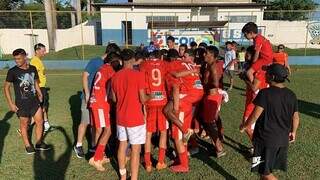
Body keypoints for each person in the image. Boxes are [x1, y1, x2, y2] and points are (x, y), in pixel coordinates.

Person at [240, 64, 300, 180]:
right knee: (264, 171)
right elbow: (296, 117)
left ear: (272, 77)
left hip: (266, 140)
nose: (264, 75)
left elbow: (255, 115)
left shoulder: (265, 93)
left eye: (266, 73)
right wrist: (294, 132)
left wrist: (244, 126)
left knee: (265, 173)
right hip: (282, 140)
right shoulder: (291, 94)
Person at [73, 43, 120, 158]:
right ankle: (78, 145)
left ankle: (95, 147)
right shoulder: (96, 61)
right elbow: (84, 76)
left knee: (96, 125)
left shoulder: (107, 66)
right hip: (90, 97)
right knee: (85, 121)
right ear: (110, 54)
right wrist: (87, 94)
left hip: (98, 97)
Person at [111, 49, 151, 180]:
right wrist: (150, 96)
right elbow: (143, 99)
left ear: (122, 60)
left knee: (122, 145)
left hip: (121, 117)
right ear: (133, 60)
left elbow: (114, 99)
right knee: (135, 150)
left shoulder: (115, 76)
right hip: (135, 118)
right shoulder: (138, 75)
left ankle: (123, 176)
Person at [164, 48, 204, 173]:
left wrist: (175, 107)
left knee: (177, 135)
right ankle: (181, 158)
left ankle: (184, 165)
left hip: (185, 97)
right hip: (194, 94)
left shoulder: (173, 65)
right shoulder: (189, 64)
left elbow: (175, 85)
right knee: (180, 136)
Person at [4, 48, 51, 154]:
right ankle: (28, 145)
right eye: (15, 59)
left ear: (25, 57)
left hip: (34, 101)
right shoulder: (12, 71)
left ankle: (39, 143)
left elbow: (35, 82)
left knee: (40, 121)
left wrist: (39, 93)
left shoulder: (33, 68)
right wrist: (11, 103)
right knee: (24, 124)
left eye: (19, 59)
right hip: (22, 103)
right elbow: (6, 88)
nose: (17, 61)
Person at [140, 50, 168, 172]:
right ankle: (160, 161)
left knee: (148, 133)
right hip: (162, 100)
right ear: (160, 56)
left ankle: (148, 163)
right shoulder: (164, 64)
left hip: (149, 101)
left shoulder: (144, 64)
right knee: (163, 132)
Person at [88, 57, 115, 171]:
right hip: (100, 104)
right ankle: (96, 158)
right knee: (107, 130)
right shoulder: (110, 70)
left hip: (96, 102)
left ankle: (99, 155)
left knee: (101, 130)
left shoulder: (102, 68)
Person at [239, 46, 269, 144]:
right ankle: (258, 146)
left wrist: (244, 78)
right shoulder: (252, 67)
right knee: (251, 126)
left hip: (255, 101)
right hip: (252, 99)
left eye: (248, 54)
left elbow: (254, 88)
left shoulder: (259, 69)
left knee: (246, 126)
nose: (246, 56)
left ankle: (258, 147)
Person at [202, 46, 228, 158]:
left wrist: (207, 88)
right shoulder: (209, 65)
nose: (204, 55)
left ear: (212, 56)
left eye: (206, 53)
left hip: (212, 96)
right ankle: (217, 144)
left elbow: (216, 84)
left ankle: (219, 148)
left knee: (210, 123)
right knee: (210, 121)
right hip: (211, 96)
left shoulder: (213, 66)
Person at [30, 43, 51, 132]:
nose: (45, 53)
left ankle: (46, 125)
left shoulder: (38, 60)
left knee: (43, 107)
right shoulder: (34, 61)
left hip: (41, 88)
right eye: (43, 51)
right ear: (37, 51)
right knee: (39, 109)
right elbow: (33, 77)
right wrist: (38, 91)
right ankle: (24, 128)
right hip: (39, 88)